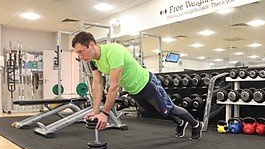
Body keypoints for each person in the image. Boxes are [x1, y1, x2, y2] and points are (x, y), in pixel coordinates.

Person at [72, 31, 204, 140]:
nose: (80, 56)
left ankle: (196, 124)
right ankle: (180, 122)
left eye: (81, 51)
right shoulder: (93, 60)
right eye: (78, 53)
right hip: (134, 91)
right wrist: (95, 111)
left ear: (91, 44)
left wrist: (105, 113)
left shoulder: (113, 51)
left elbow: (114, 86)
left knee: (169, 109)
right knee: (158, 112)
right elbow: (97, 84)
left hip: (147, 84)